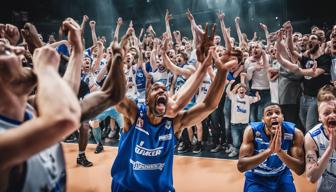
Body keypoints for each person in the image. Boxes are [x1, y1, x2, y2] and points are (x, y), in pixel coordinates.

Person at [111, 23, 242, 191]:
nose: (162, 91)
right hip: (127, 188)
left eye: (165, 90)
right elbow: (116, 96)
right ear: (147, 98)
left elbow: (209, 105)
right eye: (156, 89)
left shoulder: (174, 123)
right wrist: (118, 56)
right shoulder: (134, 114)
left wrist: (221, 72)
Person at [0, 18, 127, 191]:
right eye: (7, 50)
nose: (20, 51)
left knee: (84, 125)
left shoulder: (31, 109)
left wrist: (112, 57)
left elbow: (111, 95)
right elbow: (63, 118)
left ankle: (81, 154)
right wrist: (46, 68)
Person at [237, 103, 305, 192]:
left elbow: (300, 170)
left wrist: (279, 151)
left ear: (283, 117)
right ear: (263, 120)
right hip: (257, 177)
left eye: (277, 113)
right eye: (269, 114)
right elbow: (241, 166)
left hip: (282, 176)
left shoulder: (295, 133)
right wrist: (268, 151)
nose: (274, 116)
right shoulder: (252, 131)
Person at [304, 87, 336, 192]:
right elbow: (311, 178)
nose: (332, 115)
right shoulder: (311, 137)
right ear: (319, 117)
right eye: (326, 113)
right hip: (328, 182)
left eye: (335, 111)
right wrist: (330, 148)